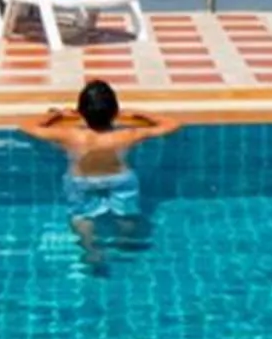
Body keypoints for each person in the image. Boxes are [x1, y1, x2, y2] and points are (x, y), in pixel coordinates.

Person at [25, 81, 178, 261]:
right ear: (115, 112)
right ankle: (124, 242)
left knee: (81, 215)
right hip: (120, 178)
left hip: (81, 180)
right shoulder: (127, 135)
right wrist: (140, 113)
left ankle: (91, 249)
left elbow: (27, 126)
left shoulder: (69, 135)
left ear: (80, 112)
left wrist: (56, 114)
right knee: (126, 213)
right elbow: (172, 124)